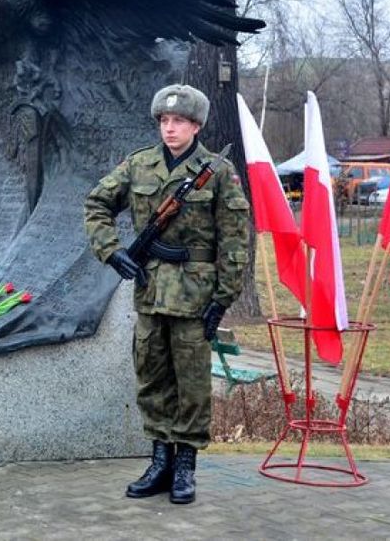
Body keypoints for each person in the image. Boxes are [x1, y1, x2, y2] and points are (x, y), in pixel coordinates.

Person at [83, 84, 251, 505]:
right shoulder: (138, 165)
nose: (170, 128)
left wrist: (223, 297)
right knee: (152, 377)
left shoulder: (217, 172)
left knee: (192, 383)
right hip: (150, 290)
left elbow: (235, 239)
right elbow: (96, 204)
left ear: (196, 125)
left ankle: (185, 467)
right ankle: (159, 460)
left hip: (196, 296)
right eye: (164, 121)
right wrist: (112, 251)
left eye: (179, 121)